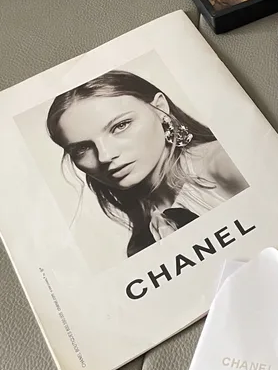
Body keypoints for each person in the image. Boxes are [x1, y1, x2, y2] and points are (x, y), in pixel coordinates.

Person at [46, 70, 247, 256]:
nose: (105, 156)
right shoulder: (143, 235)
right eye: (82, 148)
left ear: (160, 108)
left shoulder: (225, 164)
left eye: (120, 126)